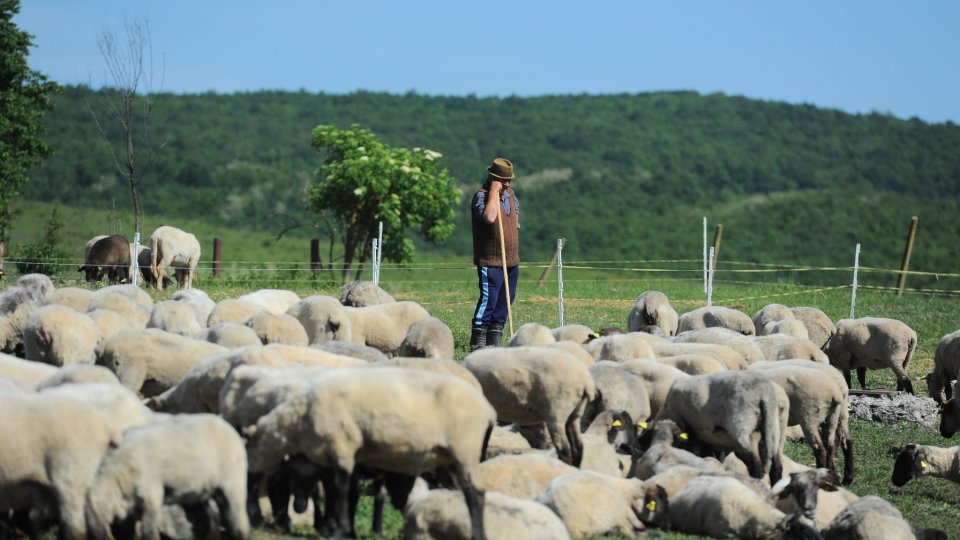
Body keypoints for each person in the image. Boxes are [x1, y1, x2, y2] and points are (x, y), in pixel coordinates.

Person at [469, 157, 520, 351]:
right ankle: (478, 343)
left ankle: (494, 341)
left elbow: (515, 219)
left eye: (509, 180)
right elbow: (490, 217)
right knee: (488, 301)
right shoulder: (481, 197)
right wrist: (494, 192)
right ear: (493, 178)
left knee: (505, 301)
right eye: (503, 180)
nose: (507, 184)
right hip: (491, 260)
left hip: (511, 260)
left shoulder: (511, 195)